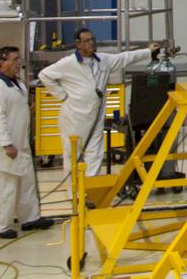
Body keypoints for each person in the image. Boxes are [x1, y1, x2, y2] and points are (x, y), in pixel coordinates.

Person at [38, 28, 161, 178]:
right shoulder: (68, 63)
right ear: (78, 44)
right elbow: (44, 75)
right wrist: (62, 95)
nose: (91, 43)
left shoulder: (103, 60)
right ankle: (74, 193)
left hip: (95, 117)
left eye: (93, 39)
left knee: (94, 154)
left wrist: (148, 52)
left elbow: (125, 58)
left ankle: (90, 191)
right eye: (87, 41)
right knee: (73, 155)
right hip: (74, 118)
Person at [0, 46, 54, 239]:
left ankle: (30, 218)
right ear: (1, 62)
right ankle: (1, 226)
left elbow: (14, 107)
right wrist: (6, 144)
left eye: (18, 59)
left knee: (26, 184)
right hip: (5, 148)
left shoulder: (16, 83)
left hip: (21, 143)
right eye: (13, 60)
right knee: (4, 187)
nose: (17, 64)